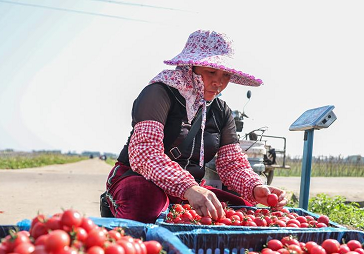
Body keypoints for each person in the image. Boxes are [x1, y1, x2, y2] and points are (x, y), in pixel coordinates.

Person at [101, 29, 287, 223]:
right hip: (140, 180)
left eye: (225, 75)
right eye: (211, 72)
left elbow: (232, 164)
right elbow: (145, 154)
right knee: (145, 202)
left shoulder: (221, 110)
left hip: (189, 189)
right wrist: (188, 187)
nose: (219, 82)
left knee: (244, 209)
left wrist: (254, 187)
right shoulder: (158, 94)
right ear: (191, 67)